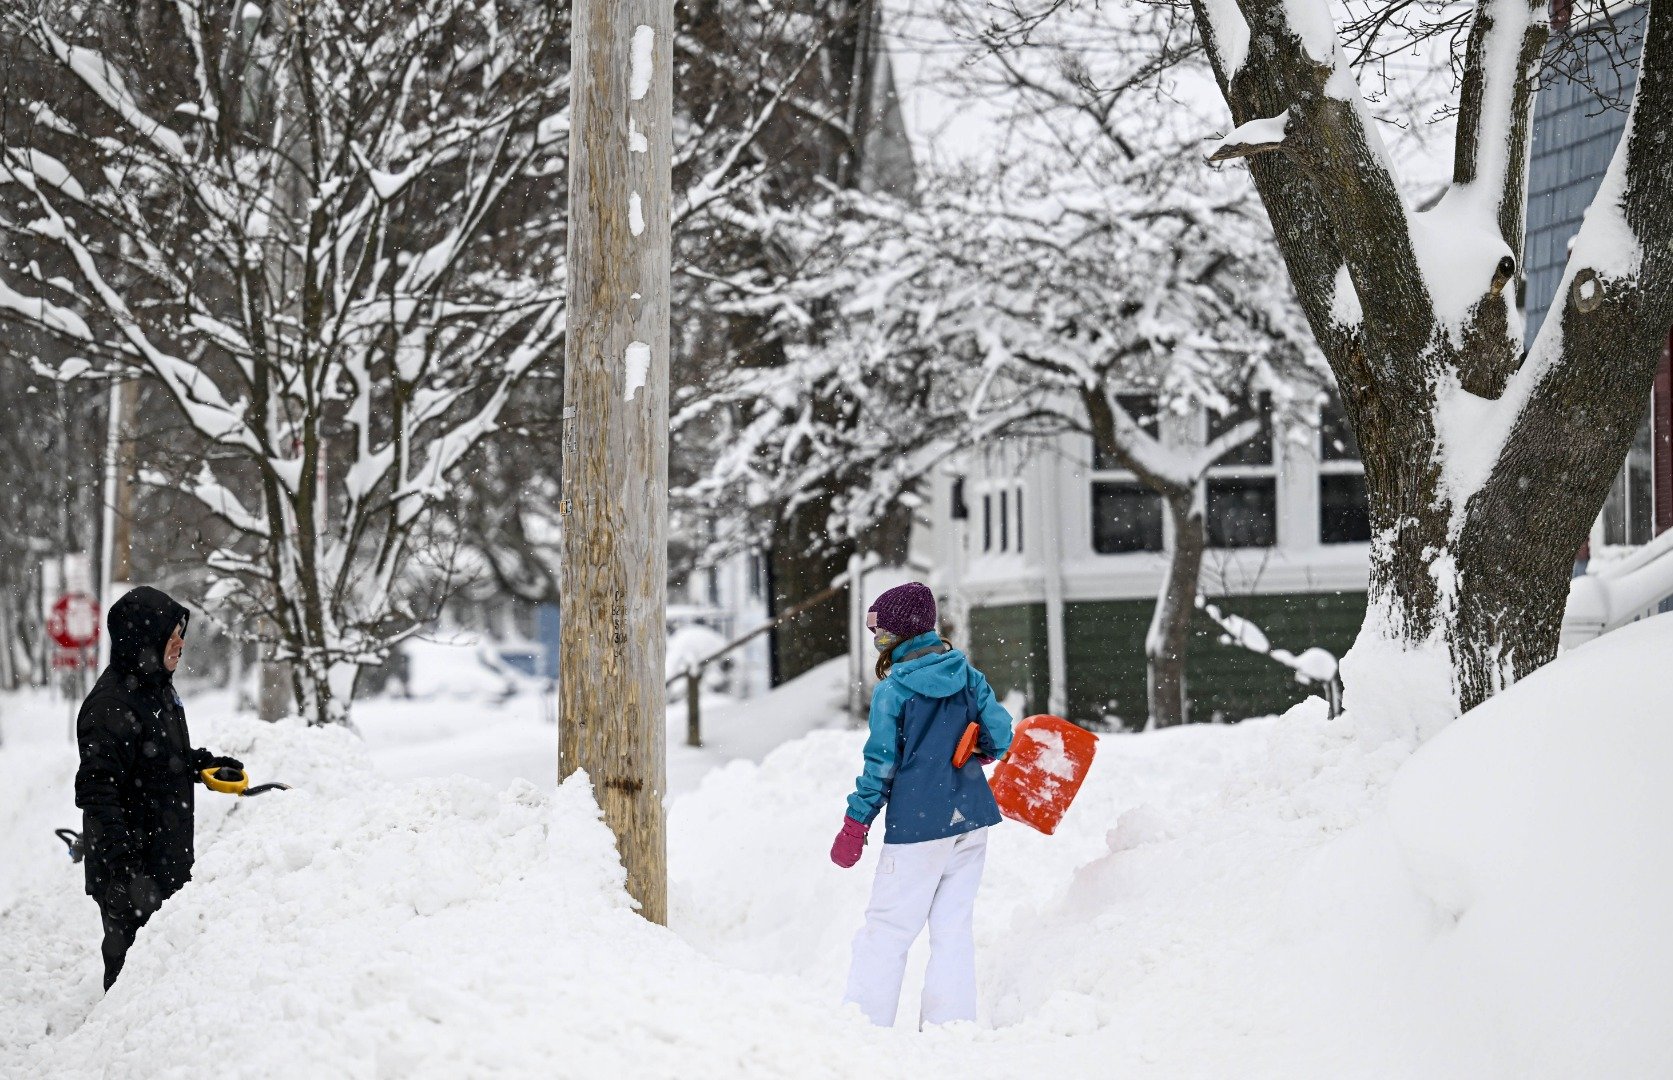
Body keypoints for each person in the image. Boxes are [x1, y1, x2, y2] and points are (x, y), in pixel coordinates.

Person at [830, 581, 1014, 1028]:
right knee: (953, 929)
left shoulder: (894, 693)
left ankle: (864, 1027)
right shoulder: (968, 676)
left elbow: (880, 768)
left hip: (917, 829)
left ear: (899, 635)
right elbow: (1001, 736)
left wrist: (856, 824)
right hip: (970, 821)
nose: (877, 642)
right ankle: (950, 1027)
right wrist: (979, 748)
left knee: (887, 930)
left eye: (880, 633)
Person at [74, 586, 242, 990]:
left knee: (165, 980)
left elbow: (158, 756)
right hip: (130, 876)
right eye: (171, 636)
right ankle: (113, 1048)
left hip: (163, 864)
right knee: (132, 984)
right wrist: (126, 873)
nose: (180, 644)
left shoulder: (155, 686)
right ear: (143, 641)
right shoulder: (109, 708)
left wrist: (201, 763)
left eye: (179, 634)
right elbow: (97, 795)